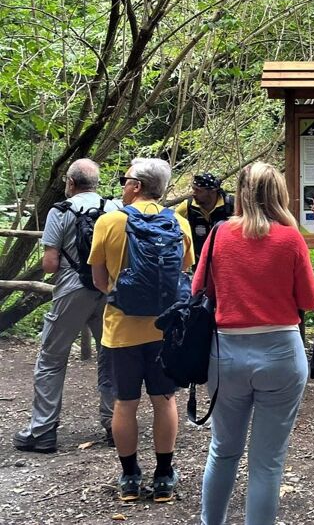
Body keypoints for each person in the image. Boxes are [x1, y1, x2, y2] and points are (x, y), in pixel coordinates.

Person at [197, 162, 314, 525]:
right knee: (267, 462)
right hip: (281, 353)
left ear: (240, 192)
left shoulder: (219, 234)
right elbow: (310, 300)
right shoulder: (290, 237)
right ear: (278, 194)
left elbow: (199, 290)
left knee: (222, 451)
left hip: (226, 354)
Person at [89, 158, 194, 503]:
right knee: (165, 401)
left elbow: (100, 281)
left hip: (121, 331)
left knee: (125, 403)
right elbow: (182, 275)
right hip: (165, 331)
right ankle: (164, 477)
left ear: (136, 186)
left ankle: (130, 478)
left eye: (125, 180)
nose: (123, 184)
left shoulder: (109, 221)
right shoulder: (179, 224)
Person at [13, 158, 117, 453]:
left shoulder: (60, 211)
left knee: (51, 358)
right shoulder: (114, 208)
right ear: (96, 183)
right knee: (109, 355)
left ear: (70, 183)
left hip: (73, 290)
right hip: (109, 290)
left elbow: (49, 264)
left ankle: (43, 431)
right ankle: (114, 425)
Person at [176, 172, 234, 260]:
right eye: (193, 189)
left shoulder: (230, 205)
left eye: (198, 190)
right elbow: (169, 223)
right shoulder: (188, 206)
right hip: (199, 261)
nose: (193, 193)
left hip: (226, 260)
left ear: (212, 191)